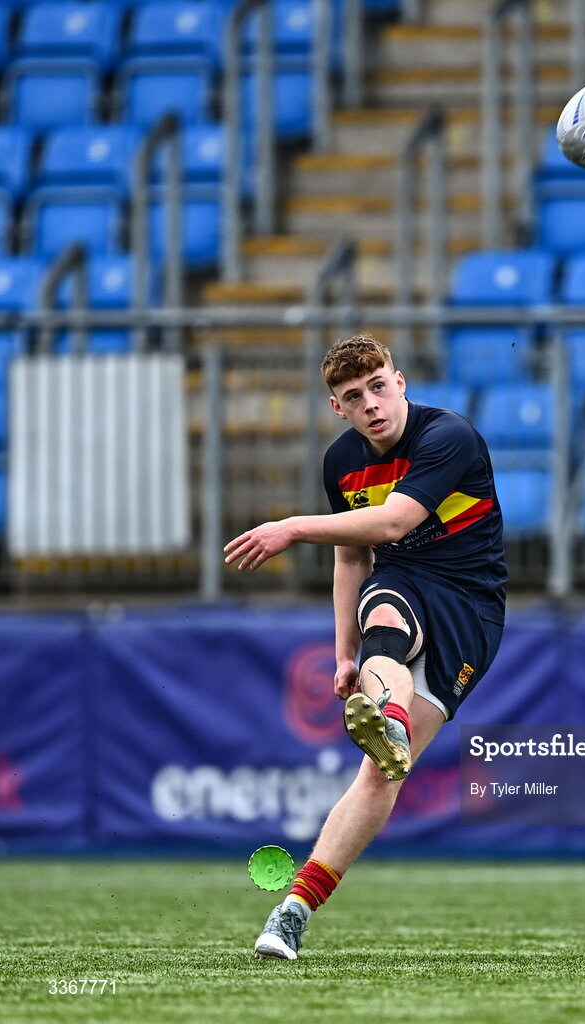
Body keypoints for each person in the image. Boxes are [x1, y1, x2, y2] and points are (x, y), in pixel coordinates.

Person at [223, 335, 507, 960]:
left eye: (379, 386)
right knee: (384, 619)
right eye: (355, 397)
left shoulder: (448, 436)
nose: (372, 404)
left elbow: (390, 524)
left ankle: (389, 728)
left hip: (471, 604)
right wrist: (345, 653)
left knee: (380, 775)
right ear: (338, 407)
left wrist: (291, 526)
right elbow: (352, 555)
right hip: (399, 581)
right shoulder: (341, 463)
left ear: (400, 382)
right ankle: (291, 912)